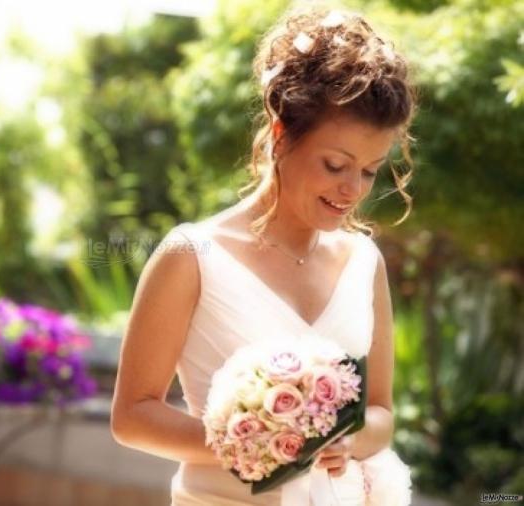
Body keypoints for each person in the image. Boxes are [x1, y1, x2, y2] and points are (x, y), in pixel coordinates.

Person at [111, 5, 415, 505]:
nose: (352, 189)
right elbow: (133, 416)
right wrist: (264, 443)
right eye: (336, 164)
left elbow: (379, 411)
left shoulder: (363, 261)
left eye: (369, 170)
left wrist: (350, 438)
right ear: (280, 137)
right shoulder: (193, 255)